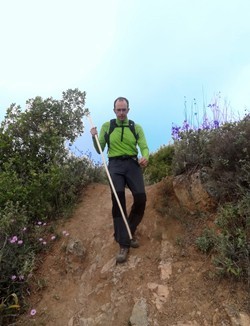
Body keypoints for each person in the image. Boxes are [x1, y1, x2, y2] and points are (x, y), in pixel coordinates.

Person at [90, 96, 149, 263]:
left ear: (128, 110)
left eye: (124, 110)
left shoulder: (135, 127)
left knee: (141, 198)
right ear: (114, 110)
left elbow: (144, 146)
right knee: (118, 199)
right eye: (119, 110)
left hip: (132, 163)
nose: (121, 113)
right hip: (115, 165)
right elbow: (99, 149)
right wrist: (94, 138)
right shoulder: (107, 126)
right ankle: (124, 244)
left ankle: (129, 228)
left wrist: (145, 156)